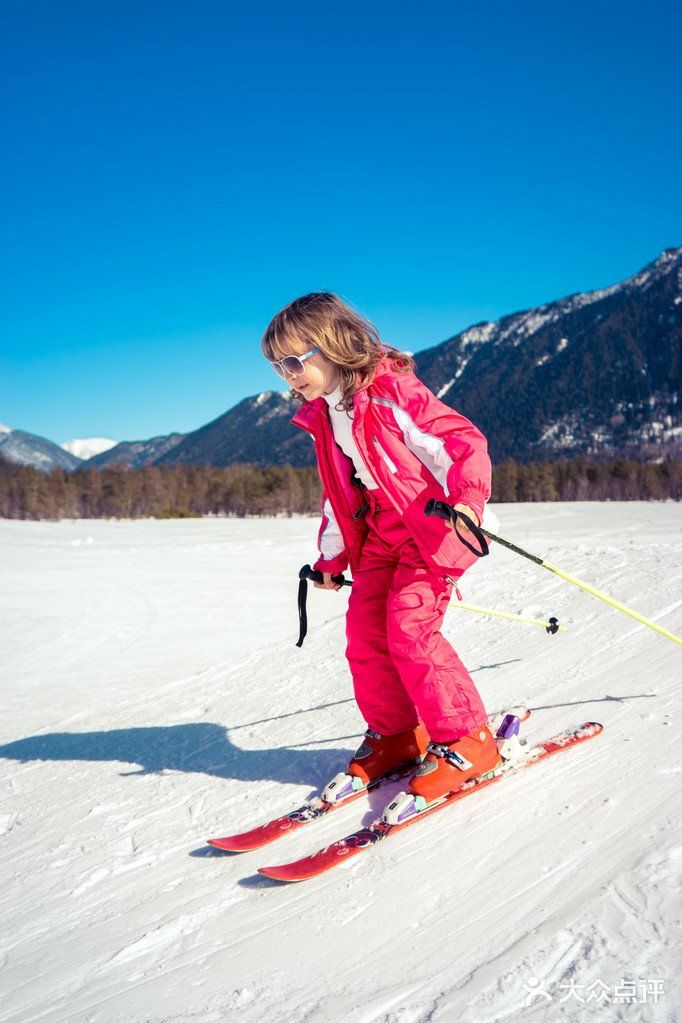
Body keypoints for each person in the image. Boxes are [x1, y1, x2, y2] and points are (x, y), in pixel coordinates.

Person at [261, 292, 500, 804]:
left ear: (334, 346)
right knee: (365, 632)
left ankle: (468, 740)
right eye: (278, 366)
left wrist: (468, 504)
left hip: (434, 529)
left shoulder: (391, 391)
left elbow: (462, 444)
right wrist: (331, 556)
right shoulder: (325, 416)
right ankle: (395, 735)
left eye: (295, 361)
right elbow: (339, 490)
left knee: (411, 629)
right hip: (380, 532)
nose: (287, 374)